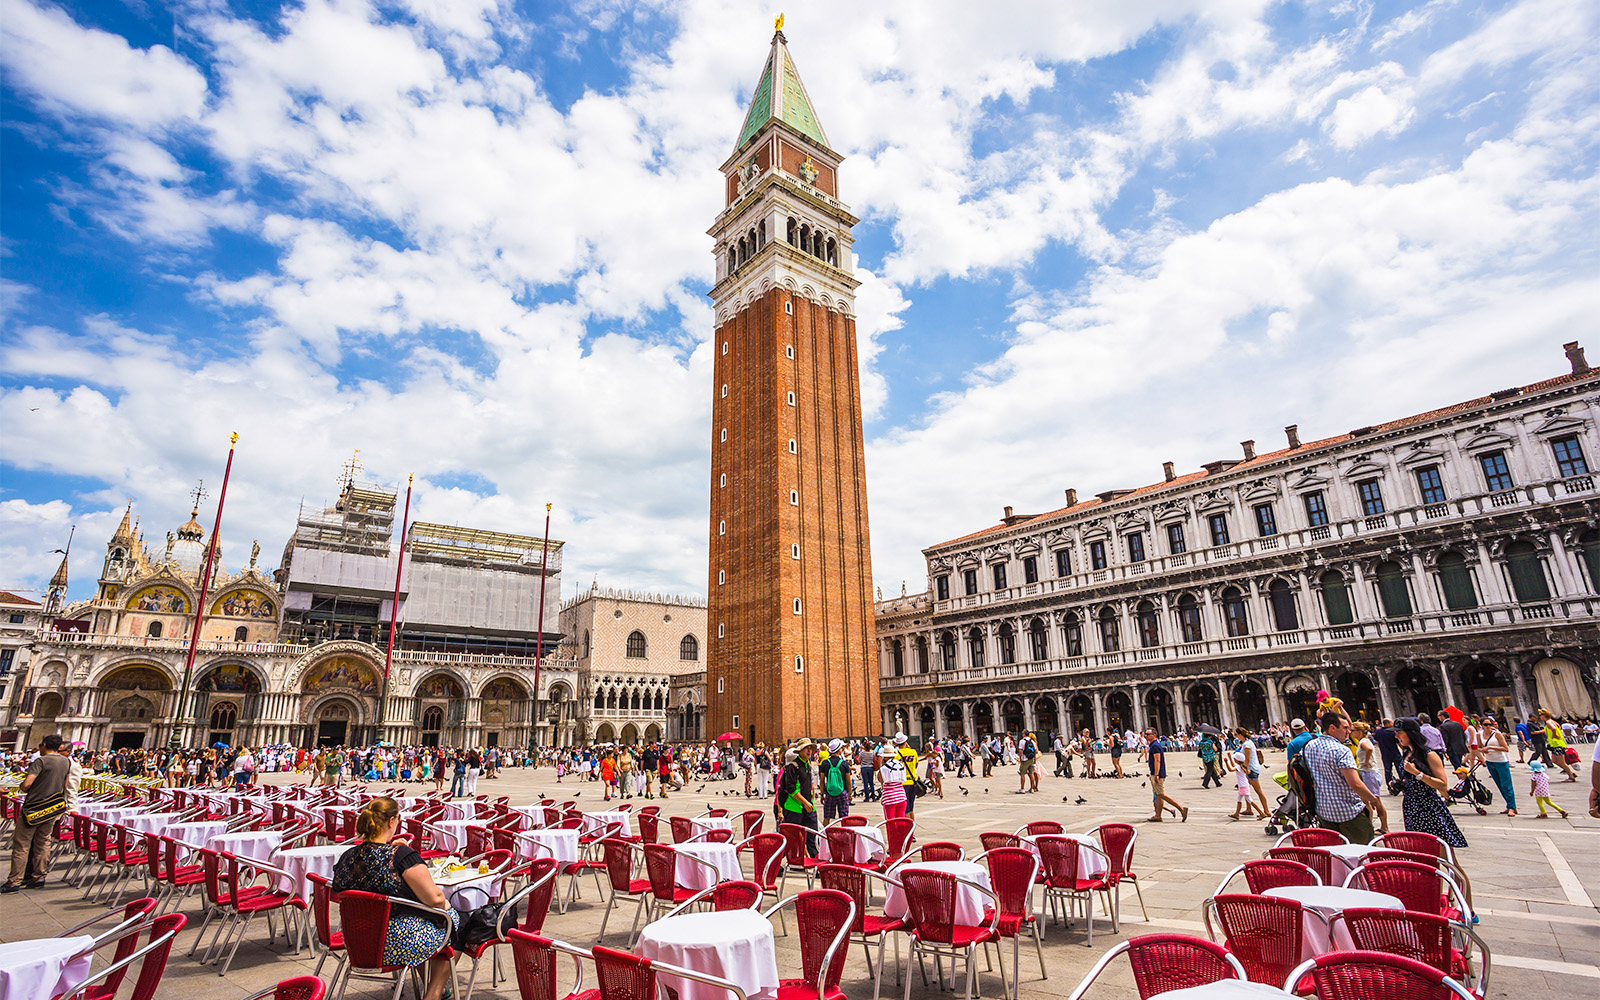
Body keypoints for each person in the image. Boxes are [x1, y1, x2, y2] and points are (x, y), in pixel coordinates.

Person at [331, 797, 458, 1000]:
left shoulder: (348, 857)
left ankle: (437, 989)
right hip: (398, 944)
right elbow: (435, 899)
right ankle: (434, 993)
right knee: (455, 920)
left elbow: (338, 892)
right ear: (392, 821)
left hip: (358, 943)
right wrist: (446, 904)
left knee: (427, 923)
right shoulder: (399, 855)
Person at [1303, 712, 1388, 843]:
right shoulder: (1341, 750)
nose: (1348, 732)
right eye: (1345, 728)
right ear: (1332, 728)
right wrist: (1374, 801)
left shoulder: (1310, 746)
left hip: (1324, 811)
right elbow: (1355, 783)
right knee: (1363, 852)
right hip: (1348, 811)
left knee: (1337, 855)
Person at [4, 734, 70, 893]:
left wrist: (22, 786)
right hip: (52, 808)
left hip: (34, 808)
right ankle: (39, 876)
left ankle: (14, 881)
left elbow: (27, 784)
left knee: (22, 844)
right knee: (43, 842)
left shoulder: (40, 761)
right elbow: (65, 784)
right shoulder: (65, 761)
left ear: (45, 745)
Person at [1393, 717, 1467, 847]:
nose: (1396, 736)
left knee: (1440, 851)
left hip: (1428, 807)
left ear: (1411, 733)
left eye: (1399, 732)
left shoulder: (1429, 754)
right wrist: (1401, 783)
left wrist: (1418, 773)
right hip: (1411, 806)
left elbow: (1443, 784)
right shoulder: (1407, 753)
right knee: (1419, 848)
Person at [778, 740, 819, 854]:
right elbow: (792, 789)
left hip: (808, 808)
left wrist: (809, 802)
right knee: (791, 840)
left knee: (813, 839)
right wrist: (805, 802)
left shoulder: (808, 766)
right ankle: (774, 865)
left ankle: (817, 868)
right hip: (794, 809)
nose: (809, 751)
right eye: (807, 748)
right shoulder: (793, 767)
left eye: (811, 748)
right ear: (800, 750)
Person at [1144, 729, 1187, 822]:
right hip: (1156, 773)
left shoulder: (1155, 746)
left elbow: (1157, 760)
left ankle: (1181, 809)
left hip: (1157, 773)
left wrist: (1156, 774)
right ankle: (1158, 815)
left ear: (1154, 735)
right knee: (1158, 795)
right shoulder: (1154, 745)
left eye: (1148, 734)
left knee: (1161, 794)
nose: (1146, 736)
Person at [1479, 717, 1516, 816]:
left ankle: (1512, 807)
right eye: (1486, 725)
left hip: (1501, 761)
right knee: (1499, 785)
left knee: (1506, 785)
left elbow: (1506, 748)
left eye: (1490, 724)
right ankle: (1509, 805)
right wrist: (1482, 750)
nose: (1488, 727)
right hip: (1490, 761)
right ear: (1481, 725)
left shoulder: (1497, 734)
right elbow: (1479, 747)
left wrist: (1490, 747)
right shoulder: (1480, 735)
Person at [820, 739, 851, 822]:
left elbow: (822, 781)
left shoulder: (825, 763)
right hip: (842, 792)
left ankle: (824, 834)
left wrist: (822, 794)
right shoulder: (844, 763)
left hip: (829, 793)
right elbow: (848, 781)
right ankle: (845, 834)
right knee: (844, 818)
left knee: (827, 817)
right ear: (839, 749)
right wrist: (850, 794)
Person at [894, 733, 920, 819]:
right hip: (912, 782)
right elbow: (916, 765)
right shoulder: (913, 752)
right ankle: (912, 829)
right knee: (911, 807)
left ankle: (908, 829)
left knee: (906, 808)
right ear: (905, 741)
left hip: (901, 783)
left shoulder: (896, 754)